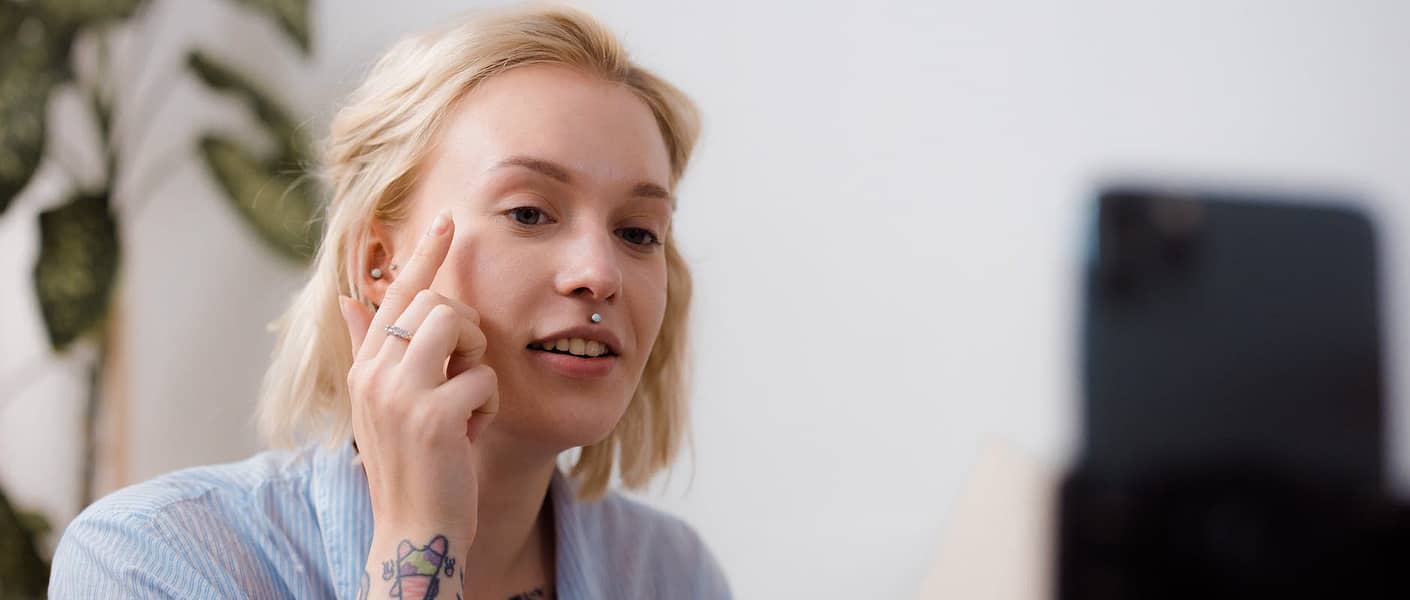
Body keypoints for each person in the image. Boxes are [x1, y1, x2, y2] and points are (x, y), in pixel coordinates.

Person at [49, 5, 729, 598]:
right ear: (380, 264)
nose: (599, 272)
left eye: (639, 232)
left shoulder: (670, 575)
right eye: (529, 213)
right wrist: (419, 536)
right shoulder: (149, 561)